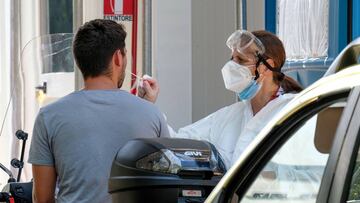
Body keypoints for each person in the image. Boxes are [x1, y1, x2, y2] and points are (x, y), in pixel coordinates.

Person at [28, 19, 170, 203]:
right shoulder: (152, 115)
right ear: (118, 57)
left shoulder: (48, 117)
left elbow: (42, 199)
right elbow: (166, 185)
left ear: (79, 60)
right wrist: (145, 107)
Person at [139, 30, 303, 169]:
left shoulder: (295, 112)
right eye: (233, 59)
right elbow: (179, 144)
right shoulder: (232, 116)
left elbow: (310, 175)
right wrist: (149, 106)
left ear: (266, 66)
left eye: (241, 60)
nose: (232, 66)